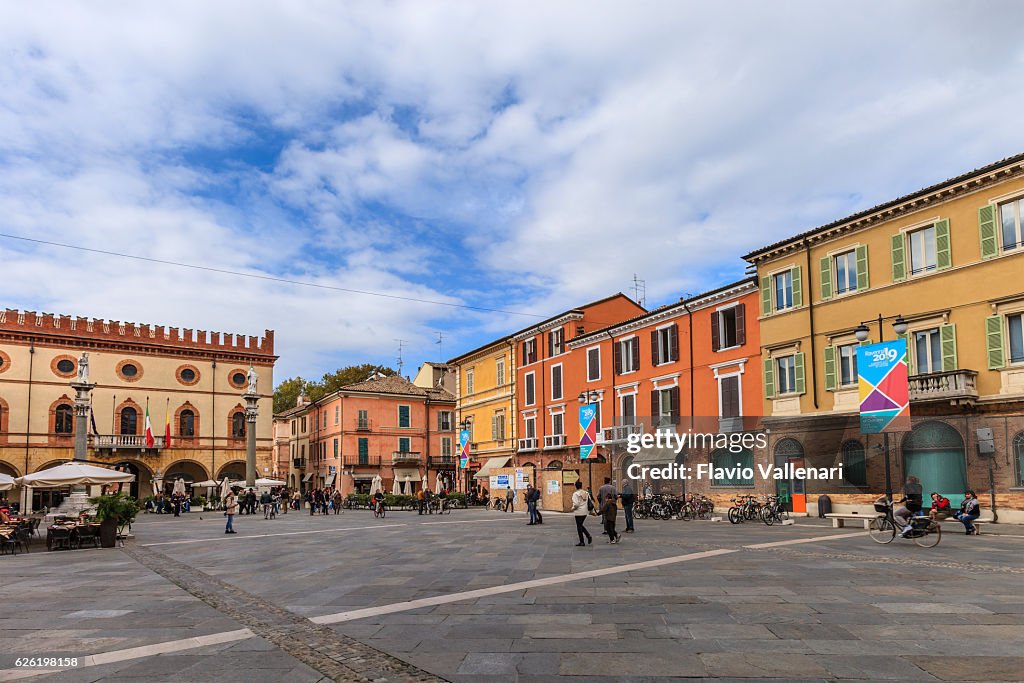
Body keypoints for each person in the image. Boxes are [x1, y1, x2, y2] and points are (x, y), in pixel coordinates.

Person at [571, 480, 593, 547]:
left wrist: (572, 508)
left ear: (575, 486)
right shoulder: (586, 493)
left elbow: (576, 504)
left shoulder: (575, 494)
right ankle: (588, 536)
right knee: (580, 525)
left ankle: (582, 541)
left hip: (578, 512)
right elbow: (590, 501)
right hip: (585, 511)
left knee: (579, 526)